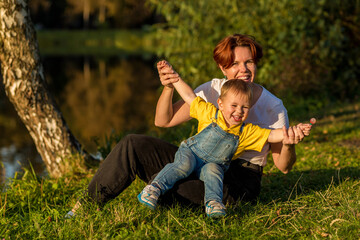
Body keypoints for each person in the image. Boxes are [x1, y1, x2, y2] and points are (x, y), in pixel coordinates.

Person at [66, 34, 309, 218]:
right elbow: (164, 121)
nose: (243, 70)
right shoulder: (213, 90)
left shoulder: (273, 106)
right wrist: (169, 87)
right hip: (197, 159)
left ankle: (178, 194)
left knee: (169, 183)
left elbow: (284, 166)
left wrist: (288, 143)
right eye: (235, 64)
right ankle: (85, 207)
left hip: (236, 180)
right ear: (223, 68)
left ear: (256, 64)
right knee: (133, 145)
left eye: (249, 63)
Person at [137, 61, 312, 218]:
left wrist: (293, 131)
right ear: (220, 104)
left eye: (244, 107)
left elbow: (272, 134)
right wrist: (175, 79)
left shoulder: (246, 132)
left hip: (213, 163)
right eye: (234, 106)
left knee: (214, 174)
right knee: (182, 166)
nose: (238, 111)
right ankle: (154, 188)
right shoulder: (209, 113)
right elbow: (189, 96)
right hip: (192, 153)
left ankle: (213, 204)